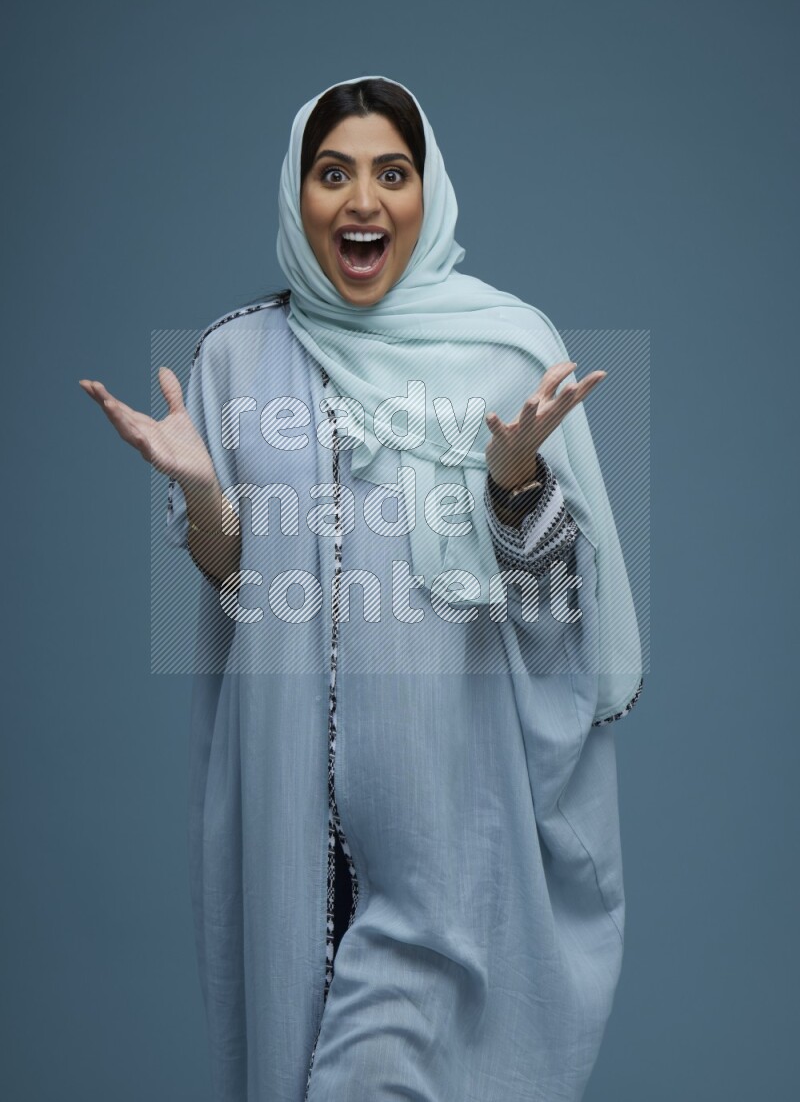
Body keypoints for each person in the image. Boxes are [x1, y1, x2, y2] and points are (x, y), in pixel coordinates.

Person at [80, 75, 643, 1102]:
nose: (361, 200)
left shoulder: (505, 351)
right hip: (288, 819)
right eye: (331, 173)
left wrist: (514, 482)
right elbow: (236, 580)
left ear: (428, 195)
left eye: (392, 172)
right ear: (297, 196)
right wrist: (205, 488)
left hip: (446, 833)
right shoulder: (234, 357)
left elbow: (562, 602)